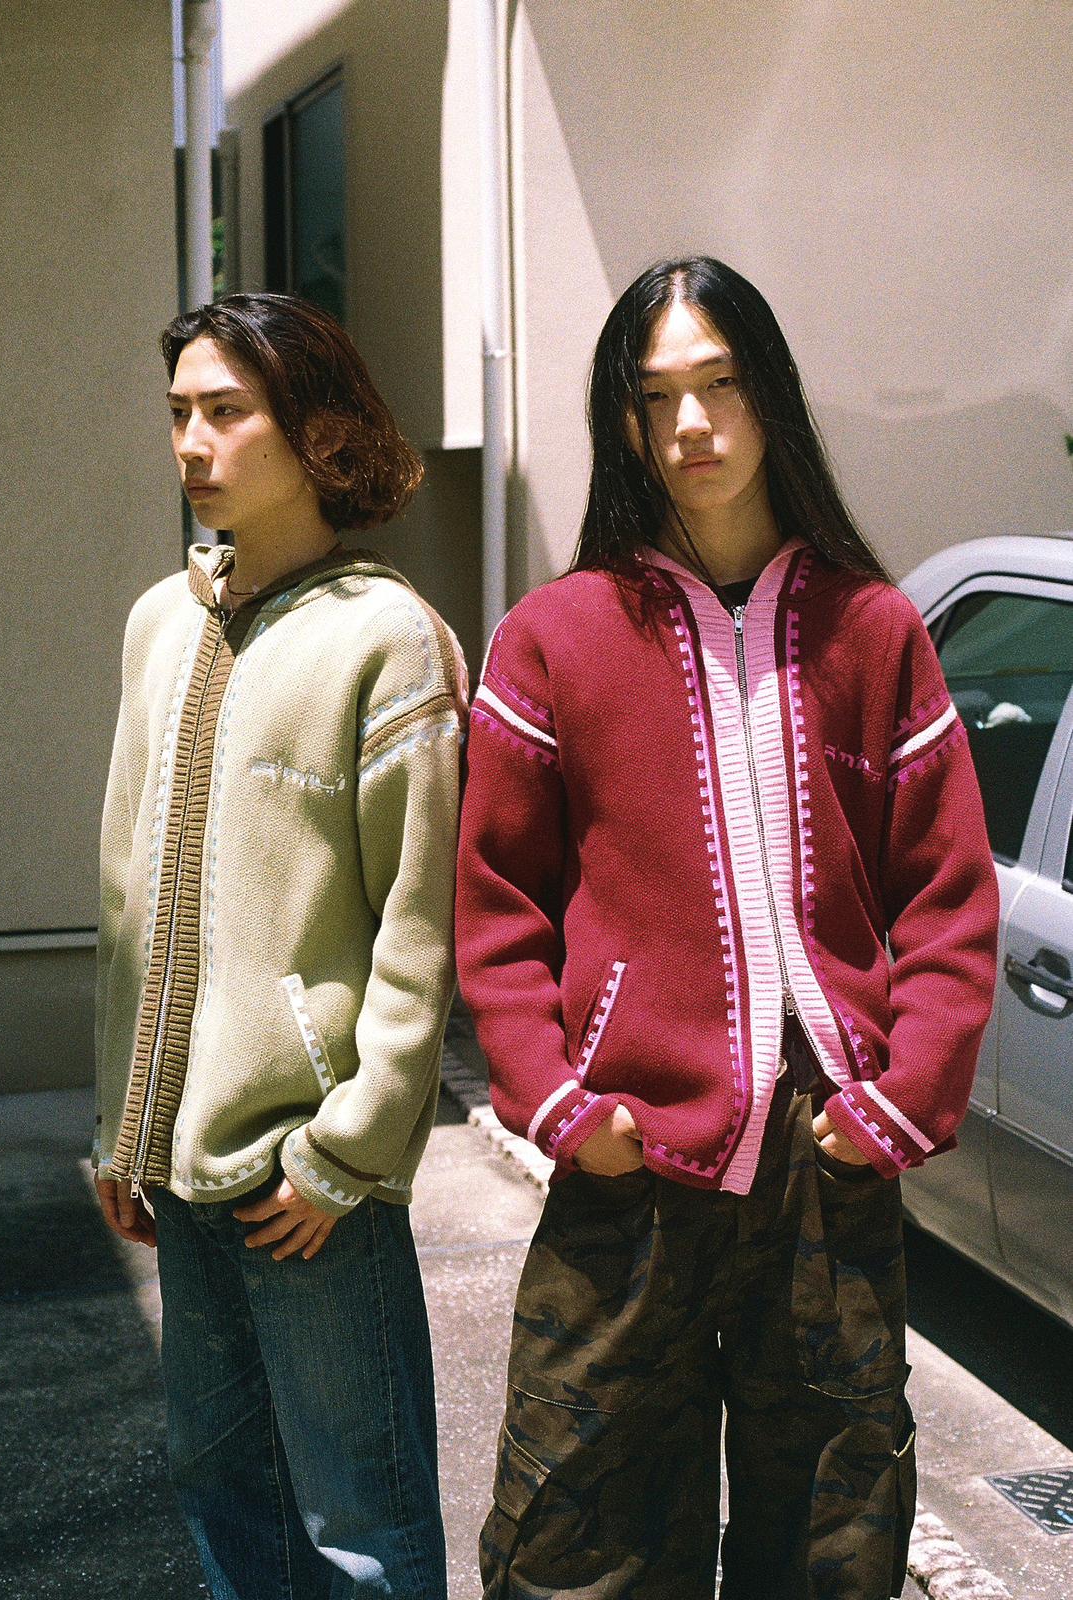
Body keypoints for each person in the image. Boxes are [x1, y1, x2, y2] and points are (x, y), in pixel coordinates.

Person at [455, 256, 999, 1600]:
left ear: (771, 402)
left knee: (833, 1540)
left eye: (721, 386)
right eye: (658, 398)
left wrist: (899, 1100)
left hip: (830, 1163)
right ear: (623, 424)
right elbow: (497, 913)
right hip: (629, 1162)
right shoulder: (553, 639)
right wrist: (565, 1107)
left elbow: (947, 893)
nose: (692, 424)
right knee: (569, 1542)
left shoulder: (875, 632)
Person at [94, 292, 465, 1600]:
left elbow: (418, 933)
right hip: (180, 1178)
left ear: (314, 429)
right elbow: (129, 901)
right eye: (179, 413)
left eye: (225, 412)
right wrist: (120, 1128)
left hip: (311, 1184)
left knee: (361, 1536)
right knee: (222, 1499)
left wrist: (350, 1151)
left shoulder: (389, 637)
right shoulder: (160, 625)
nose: (192, 441)